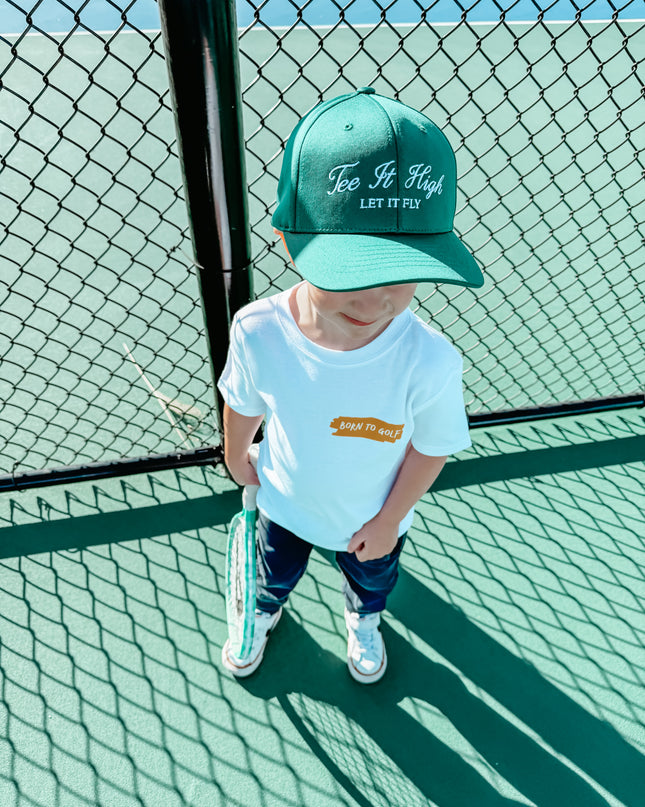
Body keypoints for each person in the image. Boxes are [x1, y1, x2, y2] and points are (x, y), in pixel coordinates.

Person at [218, 87, 484, 683]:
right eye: (351, 271)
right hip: (284, 503)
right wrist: (237, 453)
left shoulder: (430, 360)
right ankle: (264, 608)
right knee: (275, 570)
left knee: (372, 582)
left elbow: (432, 445)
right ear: (290, 239)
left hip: (375, 519)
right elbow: (243, 401)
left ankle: (363, 618)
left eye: (402, 271)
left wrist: (391, 518)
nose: (377, 298)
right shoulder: (258, 330)